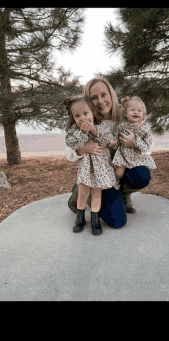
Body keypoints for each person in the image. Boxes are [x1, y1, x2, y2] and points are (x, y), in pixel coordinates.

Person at [66, 76, 154, 229]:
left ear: (111, 94)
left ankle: (123, 194)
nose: (100, 101)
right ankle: (82, 191)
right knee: (118, 221)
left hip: (119, 171)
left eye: (103, 95)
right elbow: (69, 153)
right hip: (99, 173)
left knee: (142, 175)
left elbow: (148, 143)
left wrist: (134, 143)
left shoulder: (126, 113)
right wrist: (85, 147)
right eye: (94, 98)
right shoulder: (85, 117)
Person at [59, 95, 118, 236]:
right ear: (72, 118)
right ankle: (80, 218)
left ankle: (95, 219)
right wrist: (84, 132)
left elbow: (109, 140)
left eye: (86, 113)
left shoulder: (101, 127)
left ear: (93, 112)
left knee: (97, 193)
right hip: (85, 169)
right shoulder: (74, 131)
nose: (82, 118)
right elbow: (74, 144)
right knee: (83, 193)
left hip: (101, 169)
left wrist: (92, 130)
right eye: (77, 116)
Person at [112, 95, 157, 181]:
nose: (136, 113)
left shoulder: (144, 129)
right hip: (123, 154)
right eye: (132, 110)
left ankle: (130, 187)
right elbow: (116, 136)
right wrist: (113, 142)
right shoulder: (122, 126)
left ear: (143, 115)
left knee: (148, 170)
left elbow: (147, 145)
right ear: (125, 114)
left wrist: (135, 143)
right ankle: (114, 184)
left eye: (139, 111)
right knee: (118, 173)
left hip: (137, 155)